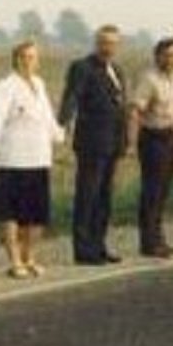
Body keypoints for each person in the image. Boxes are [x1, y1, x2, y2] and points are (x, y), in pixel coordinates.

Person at [0, 41, 63, 278]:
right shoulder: (5, 86)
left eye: (33, 57)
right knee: (10, 213)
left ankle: (29, 257)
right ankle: (15, 261)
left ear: (38, 60)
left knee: (36, 215)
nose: (28, 61)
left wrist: (59, 133)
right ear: (15, 59)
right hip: (11, 158)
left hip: (38, 157)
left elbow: (47, 117)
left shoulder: (39, 84)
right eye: (24, 56)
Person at [59, 25, 129, 265]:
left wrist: (124, 141)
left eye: (112, 43)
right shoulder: (83, 67)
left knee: (104, 198)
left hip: (113, 143)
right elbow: (72, 96)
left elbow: (121, 107)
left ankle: (99, 245)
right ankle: (83, 248)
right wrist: (63, 122)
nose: (108, 48)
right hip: (91, 142)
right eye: (103, 43)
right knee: (87, 196)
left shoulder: (117, 70)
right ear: (96, 43)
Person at [127, 37, 173, 257]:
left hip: (171, 138)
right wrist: (132, 143)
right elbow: (136, 110)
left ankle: (159, 239)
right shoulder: (149, 79)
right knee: (152, 192)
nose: (170, 59)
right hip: (154, 139)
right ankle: (149, 243)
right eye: (166, 55)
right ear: (157, 56)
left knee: (163, 192)